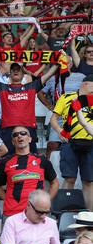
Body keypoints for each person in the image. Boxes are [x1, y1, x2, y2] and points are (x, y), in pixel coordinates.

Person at [0, 61, 59, 153]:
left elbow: (48, 74)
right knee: (7, 159)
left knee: (31, 159)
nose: (16, 71)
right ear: (10, 74)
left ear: (23, 74)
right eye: (13, 70)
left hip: (28, 129)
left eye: (18, 70)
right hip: (8, 130)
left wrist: (58, 62)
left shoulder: (31, 86)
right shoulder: (3, 87)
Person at [0, 126, 59, 219]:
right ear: (12, 142)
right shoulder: (5, 162)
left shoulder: (41, 159)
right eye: (15, 135)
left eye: (23, 133)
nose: (19, 136)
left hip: (37, 212)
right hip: (12, 213)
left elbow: (55, 183)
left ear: (30, 139)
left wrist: (46, 200)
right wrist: (7, 199)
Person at [51, 74, 93, 211]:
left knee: (89, 181)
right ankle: (65, 212)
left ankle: (90, 215)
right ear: (86, 84)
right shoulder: (66, 97)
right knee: (69, 178)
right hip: (70, 143)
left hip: (90, 143)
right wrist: (59, 131)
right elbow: (53, 119)